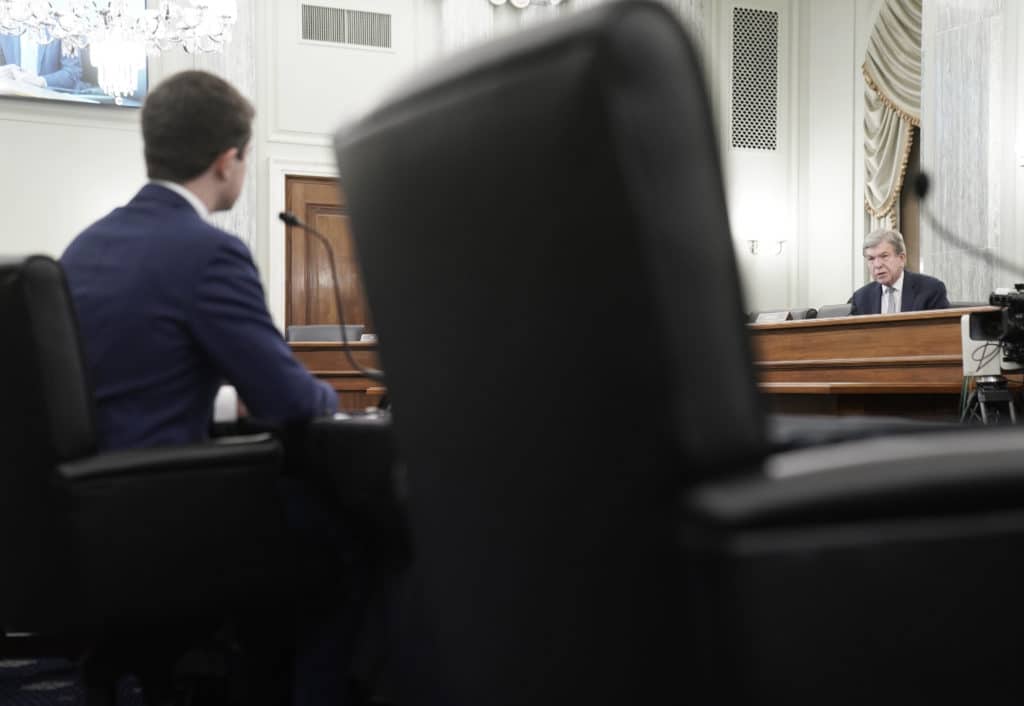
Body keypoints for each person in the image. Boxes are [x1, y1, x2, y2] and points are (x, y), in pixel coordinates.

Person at [61, 70, 362, 704]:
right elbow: (294, 402)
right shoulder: (206, 251)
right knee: (341, 550)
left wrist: (220, 397)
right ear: (228, 161)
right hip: (167, 521)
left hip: (85, 523)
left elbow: (122, 381)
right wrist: (331, 399)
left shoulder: (84, 247)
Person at [849, 228, 950, 315]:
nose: (877, 265)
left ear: (901, 259)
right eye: (871, 259)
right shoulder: (860, 298)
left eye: (884, 256)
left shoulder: (931, 290)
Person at [0, 35, 82, 89]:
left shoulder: (65, 24)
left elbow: (73, 73)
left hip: (52, 104)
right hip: (13, 103)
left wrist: (41, 82)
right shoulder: (5, 22)